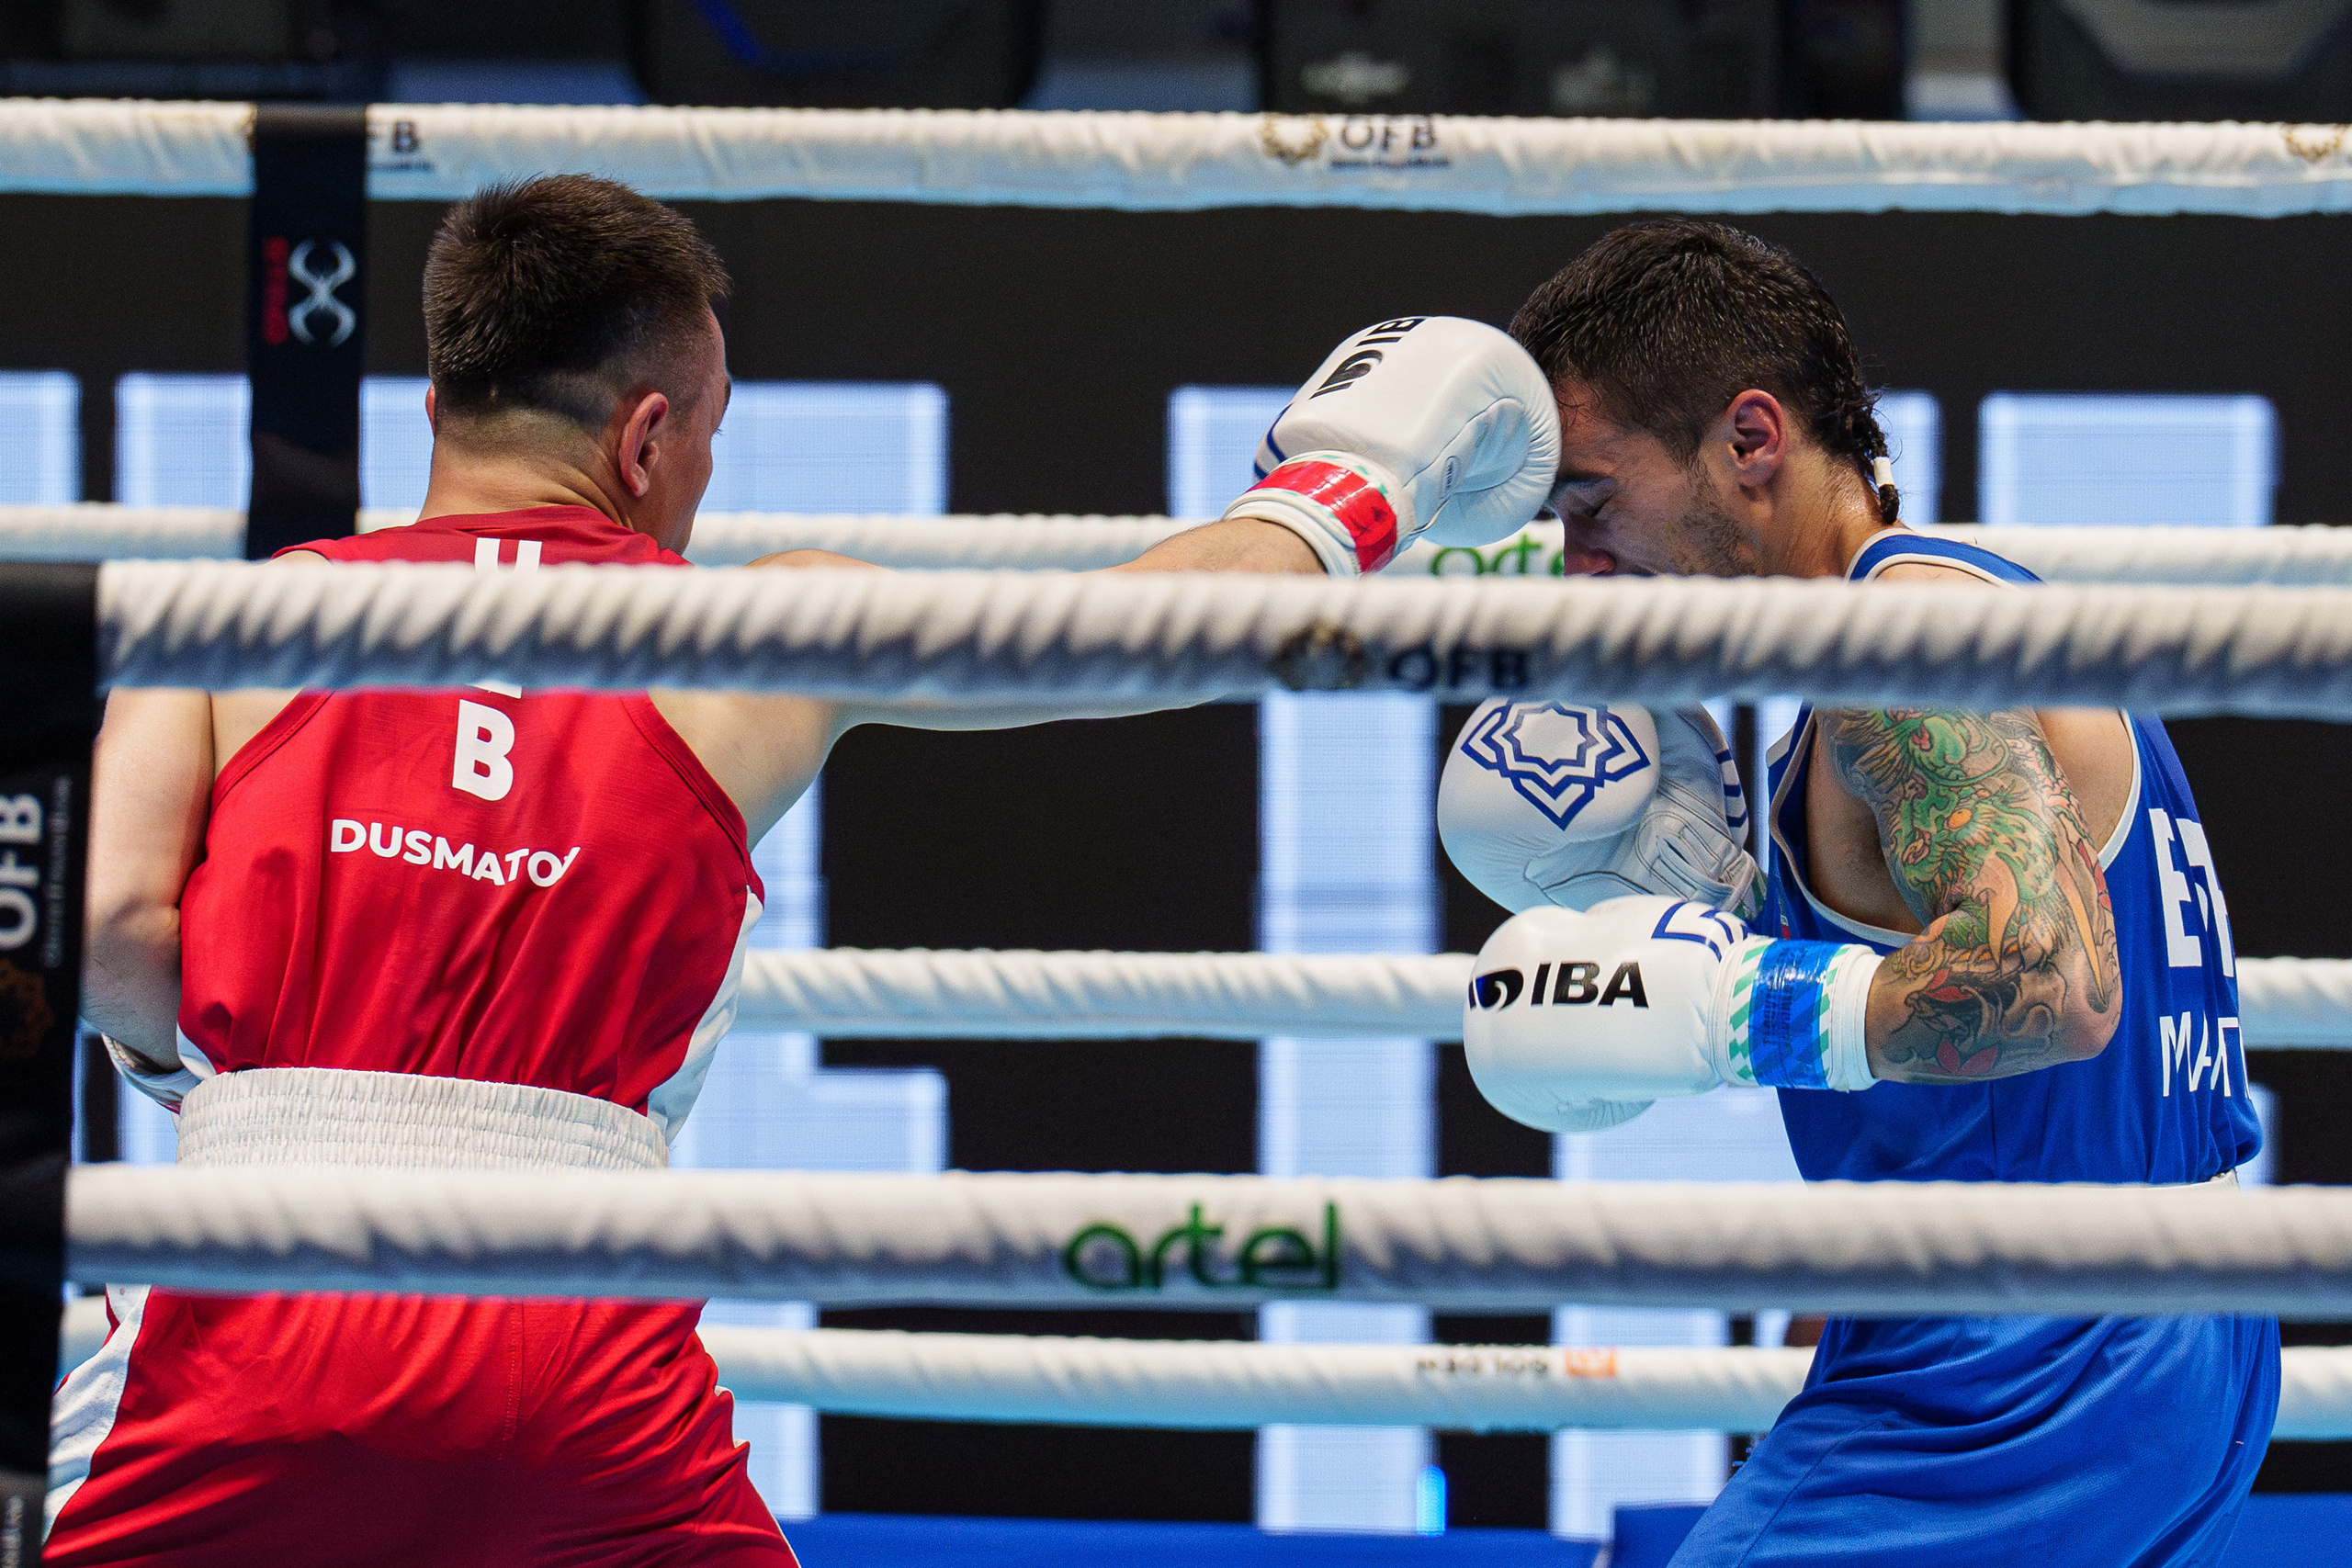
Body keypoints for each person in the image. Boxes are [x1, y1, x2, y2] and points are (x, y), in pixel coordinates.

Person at [49, 175, 1557, 1565]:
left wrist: (269, 1075)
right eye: (706, 433)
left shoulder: (229, 619)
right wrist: (1353, 488)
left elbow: (112, 927)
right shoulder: (750, 639)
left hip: (242, 1282)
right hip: (570, 1326)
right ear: (646, 440)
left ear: (440, 405)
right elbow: (1134, 639)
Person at [1441, 220, 2274, 1565]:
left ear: (1750, 441)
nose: (1578, 564)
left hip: (2017, 1374)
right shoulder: (1948, 614)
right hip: (2141, 1343)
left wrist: (1732, 1011)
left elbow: (2054, 989)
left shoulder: (1890, 646)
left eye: (1593, 504)